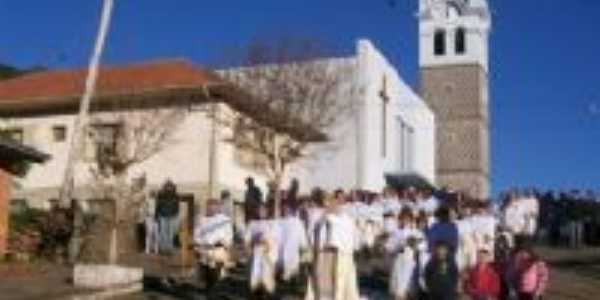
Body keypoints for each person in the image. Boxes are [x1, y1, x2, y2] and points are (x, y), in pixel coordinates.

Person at [305, 193, 360, 300]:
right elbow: (313, 232)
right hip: (323, 252)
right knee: (323, 281)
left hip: (341, 254)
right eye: (330, 203)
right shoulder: (319, 216)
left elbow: (350, 236)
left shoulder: (346, 219)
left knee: (339, 282)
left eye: (335, 203)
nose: (333, 205)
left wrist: (347, 248)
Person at [193, 198, 234, 291]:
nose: (211, 209)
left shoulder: (224, 220)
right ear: (206, 207)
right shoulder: (201, 219)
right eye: (209, 207)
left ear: (218, 207)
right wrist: (197, 247)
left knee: (216, 276)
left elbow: (229, 235)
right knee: (205, 277)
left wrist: (225, 244)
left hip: (218, 251)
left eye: (213, 207)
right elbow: (196, 234)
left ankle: (214, 292)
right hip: (204, 251)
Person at [245, 204, 280, 299]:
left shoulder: (273, 224)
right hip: (255, 254)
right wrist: (254, 240)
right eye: (259, 210)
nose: (261, 212)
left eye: (263, 210)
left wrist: (267, 242)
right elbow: (247, 239)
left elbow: (277, 239)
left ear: (267, 211)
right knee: (255, 283)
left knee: (266, 283)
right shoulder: (252, 223)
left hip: (267, 255)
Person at [276, 203, 309, 288]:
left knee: (287, 273)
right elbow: (303, 240)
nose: (285, 211)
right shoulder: (280, 222)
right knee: (288, 273)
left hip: (287, 252)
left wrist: (304, 246)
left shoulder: (295, 222)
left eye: (286, 209)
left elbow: (302, 238)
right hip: (286, 252)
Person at [155, 180, 179, 254]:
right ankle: (163, 248)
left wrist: (175, 214)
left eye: (170, 186)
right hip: (163, 216)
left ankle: (169, 248)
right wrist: (157, 215)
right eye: (167, 186)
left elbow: (177, 207)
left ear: (172, 187)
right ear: (165, 187)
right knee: (163, 232)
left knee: (171, 233)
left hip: (172, 216)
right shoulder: (160, 195)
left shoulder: (176, 195)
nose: (169, 188)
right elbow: (157, 206)